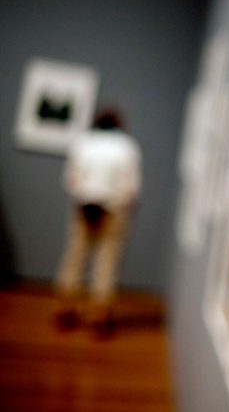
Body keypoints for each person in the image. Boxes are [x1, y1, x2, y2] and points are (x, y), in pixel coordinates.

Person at [55, 108, 142, 335]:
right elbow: (132, 187)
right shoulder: (127, 147)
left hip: (84, 205)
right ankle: (99, 317)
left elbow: (70, 179)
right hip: (115, 207)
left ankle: (66, 310)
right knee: (108, 259)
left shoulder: (83, 143)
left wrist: (85, 194)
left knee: (76, 255)